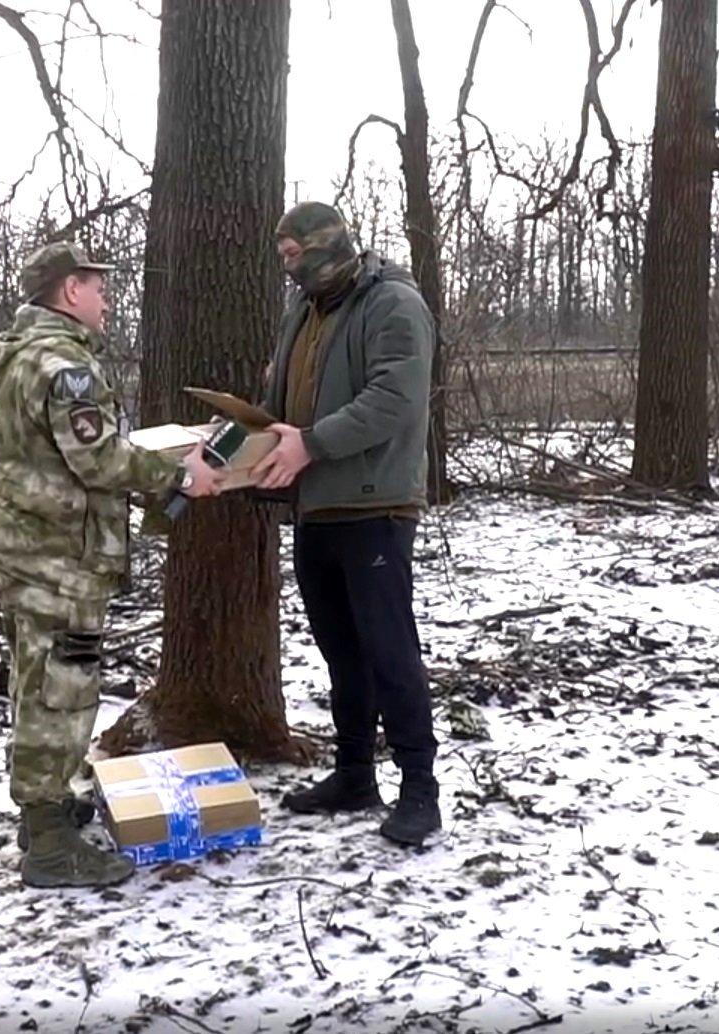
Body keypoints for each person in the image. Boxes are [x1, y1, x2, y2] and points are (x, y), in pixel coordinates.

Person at [0, 240, 222, 888]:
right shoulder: (66, 366)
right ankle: (52, 847)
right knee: (62, 694)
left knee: (37, 684)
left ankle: (45, 813)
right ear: (68, 292)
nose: (106, 298)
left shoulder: (15, 353)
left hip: (25, 546)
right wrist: (180, 473)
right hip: (58, 557)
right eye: (97, 285)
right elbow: (99, 461)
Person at [250, 201, 443, 848]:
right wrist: (235, 448)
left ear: (326, 246)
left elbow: (394, 398)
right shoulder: (302, 314)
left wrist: (310, 443)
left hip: (374, 505)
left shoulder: (391, 304)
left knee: (391, 652)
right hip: (317, 505)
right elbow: (280, 403)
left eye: (294, 255)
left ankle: (421, 789)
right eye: (282, 258)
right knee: (342, 653)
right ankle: (355, 774)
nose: (288, 268)